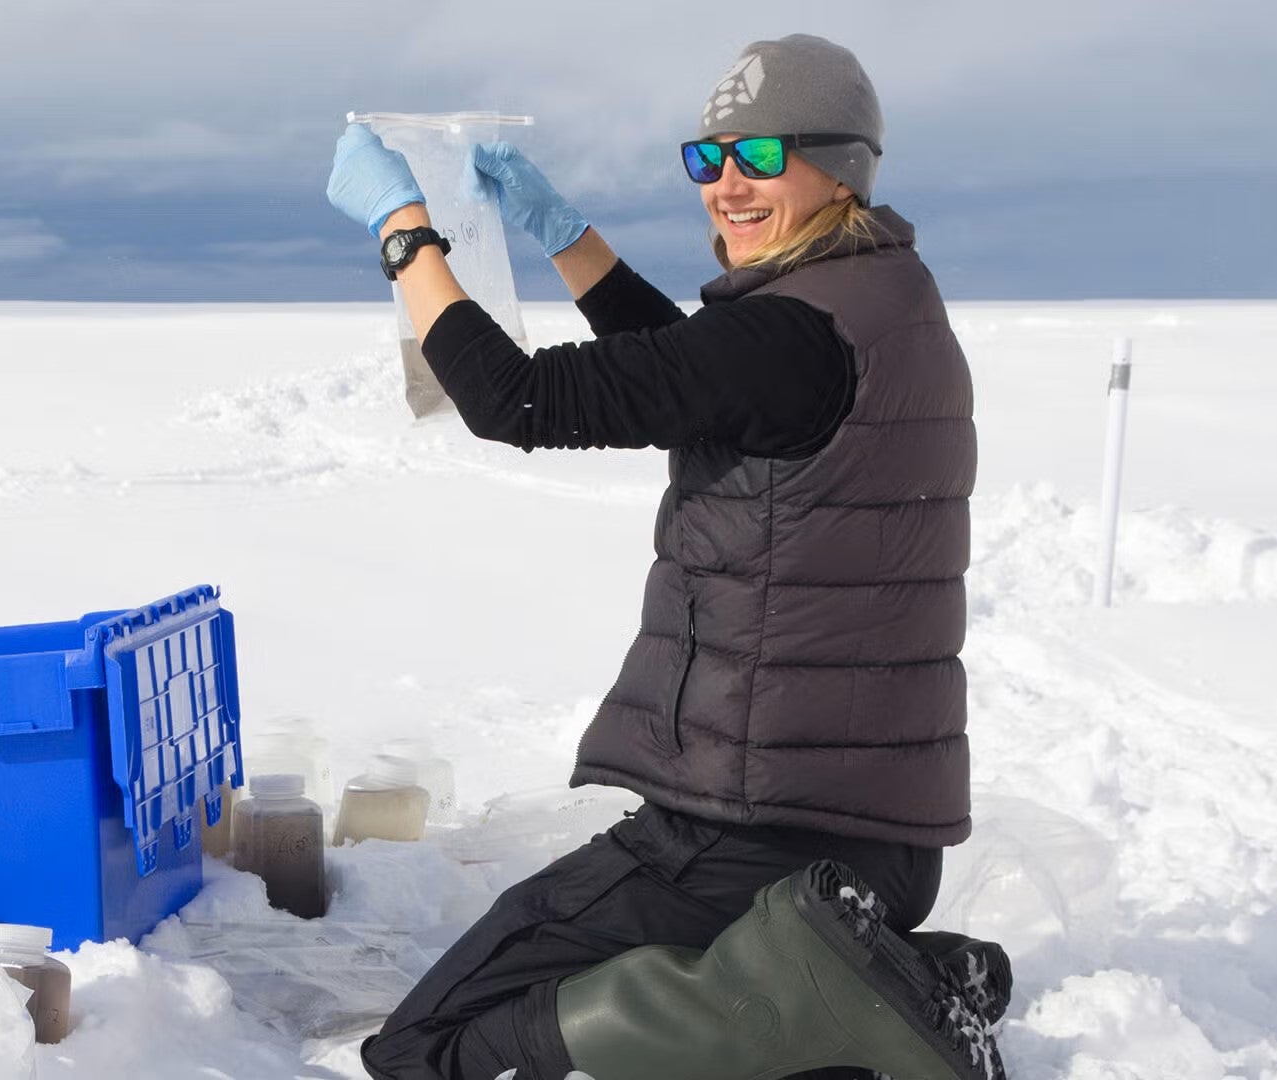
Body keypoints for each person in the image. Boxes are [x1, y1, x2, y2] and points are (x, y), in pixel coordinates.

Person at [325, 34, 1012, 1080]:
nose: (727, 184)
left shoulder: (792, 337)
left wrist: (403, 234)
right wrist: (564, 237)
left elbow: (518, 399)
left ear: (842, 168)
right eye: (710, 160)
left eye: (762, 159)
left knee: (425, 1050)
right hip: (875, 844)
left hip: (752, 833)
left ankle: (838, 991)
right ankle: (878, 977)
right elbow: (694, 367)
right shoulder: (876, 297)